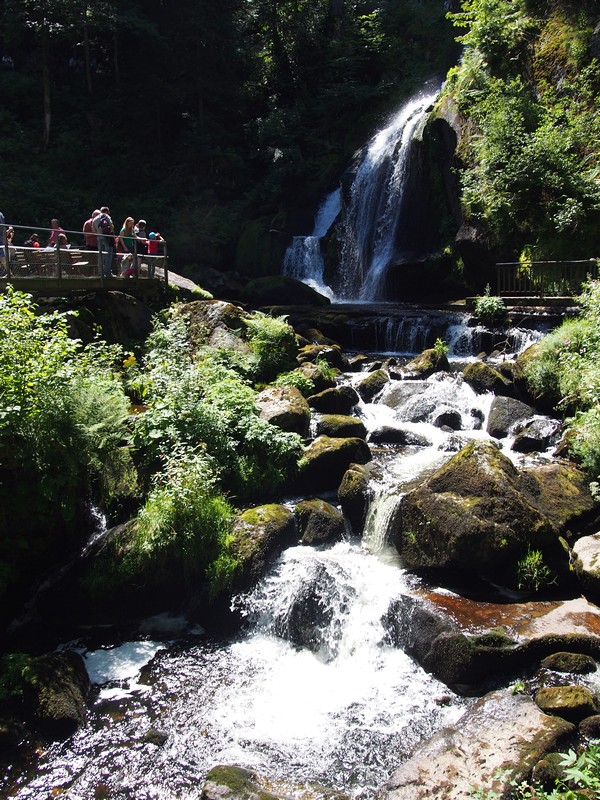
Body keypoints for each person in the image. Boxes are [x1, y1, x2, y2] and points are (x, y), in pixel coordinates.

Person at [93, 206, 115, 277]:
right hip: (107, 238)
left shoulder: (95, 219)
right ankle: (108, 273)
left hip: (99, 238)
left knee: (100, 255)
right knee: (108, 255)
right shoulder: (107, 216)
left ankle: (101, 273)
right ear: (107, 211)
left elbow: (94, 231)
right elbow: (111, 226)